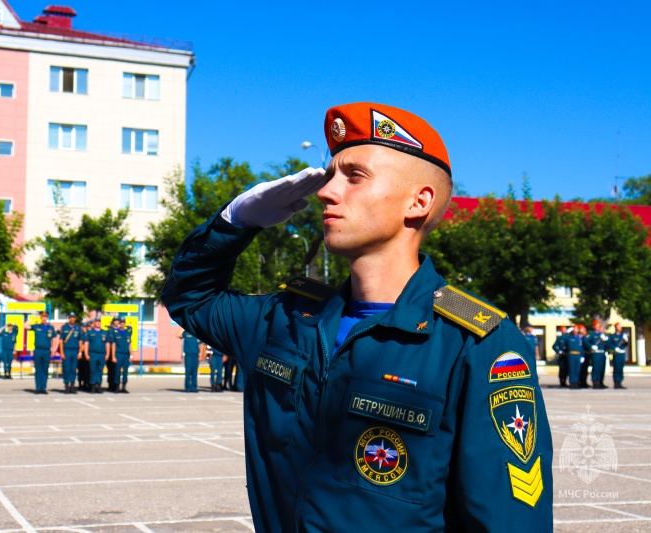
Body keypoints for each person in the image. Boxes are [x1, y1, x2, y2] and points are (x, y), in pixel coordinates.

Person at [162, 102, 553, 530]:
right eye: (330, 177)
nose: (327, 192)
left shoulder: (474, 341)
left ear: (418, 202)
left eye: (355, 176)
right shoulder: (287, 318)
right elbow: (189, 298)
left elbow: (508, 520)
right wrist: (234, 222)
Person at [27, 311, 57, 394]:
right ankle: (38, 388)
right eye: (42, 317)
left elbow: (54, 339)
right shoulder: (36, 326)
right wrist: (33, 318)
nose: (44, 318)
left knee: (45, 370)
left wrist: (53, 349)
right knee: (38, 369)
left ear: (47, 318)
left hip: (47, 351)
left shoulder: (50, 328)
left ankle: (43, 388)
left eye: (45, 317)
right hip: (38, 350)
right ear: (40, 318)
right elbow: (25, 326)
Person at [58, 312, 82, 394]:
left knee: (73, 368)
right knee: (66, 368)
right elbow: (61, 341)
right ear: (69, 318)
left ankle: (72, 385)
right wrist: (61, 352)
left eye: (73, 317)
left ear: (75, 318)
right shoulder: (64, 328)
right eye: (71, 317)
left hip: (75, 350)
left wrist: (80, 352)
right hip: (67, 350)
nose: (72, 319)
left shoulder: (78, 328)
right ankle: (66, 386)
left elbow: (80, 341)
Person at [83, 317, 108, 393]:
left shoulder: (104, 332)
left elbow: (107, 344)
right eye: (97, 322)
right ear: (94, 323)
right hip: (93, 354)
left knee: (100, 370)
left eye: (99, 322)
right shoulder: (90, 332)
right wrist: (86, 354)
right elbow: (86, 344)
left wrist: (107, 354)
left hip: (102, 354)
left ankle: (99, 386)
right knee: (93, 370)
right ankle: (93, 386)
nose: (98, 323)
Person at [108, 317, 133, 393]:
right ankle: (117, 387)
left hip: (126, 355)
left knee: (125, 371)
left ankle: (124, 387)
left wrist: (131, 355)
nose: (122, 324)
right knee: (117, 371)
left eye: (123, 322)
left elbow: (130, 345)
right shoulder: (116, 332)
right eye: (121, 322)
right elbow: (114, 345)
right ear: (119, 324)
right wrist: (113, 356)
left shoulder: (127, 333)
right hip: (118, 354)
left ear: (125, 324)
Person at [584, 320, 609, 390]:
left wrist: (606, 340)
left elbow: (607, 344)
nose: (599, 327)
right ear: (594, 326)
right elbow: (585, 341)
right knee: (596, 368)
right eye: (597, 326)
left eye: (599, 326)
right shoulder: (592, 335)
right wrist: (591, 346)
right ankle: (595, 382)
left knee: (602, 368)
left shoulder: (602, 335)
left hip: (602, 353)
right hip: (596, 353)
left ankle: (600, 382)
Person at [607, 322, 629, 389]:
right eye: (619, 327)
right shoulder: (613, 336)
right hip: (616, 354)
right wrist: (614, 348)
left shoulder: (623, 336)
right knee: (616, 368)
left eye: (621, 327)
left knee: (621, 368)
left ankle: (620, 382)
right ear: (616, 328)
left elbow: (625, 345)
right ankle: (616, 383)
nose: (620, 328)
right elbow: (608, 344)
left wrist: (626, 341)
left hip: (622, 353)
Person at [77, 319, 92, 391]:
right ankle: (81, 384)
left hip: (88, 354)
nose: (84, 328)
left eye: (86, 326)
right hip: (81, 355)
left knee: (87, 370)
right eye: (83, 326)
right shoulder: (80, 334)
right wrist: (80, 352)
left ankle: (87, 383)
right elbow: (81, 345)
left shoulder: (88, 333)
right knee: (81, 370)